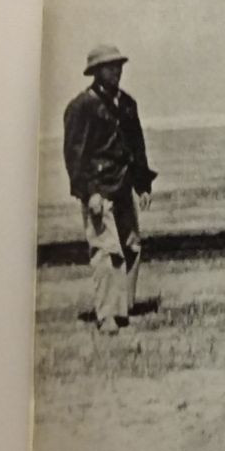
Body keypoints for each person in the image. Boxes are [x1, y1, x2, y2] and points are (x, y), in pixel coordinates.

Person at [63, 44, 157, 335]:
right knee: (106, 251)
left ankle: (123, 309)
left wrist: (142, 185)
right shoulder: (81, 107)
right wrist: (89, 192)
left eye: (117, 66)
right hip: (99, 190)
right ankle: (107, 317)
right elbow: (75, 155)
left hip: (124, 185)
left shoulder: (127, 104)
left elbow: (136, 146)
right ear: (95, 72)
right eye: (108, 67)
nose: (115, 71)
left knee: (131, 247)